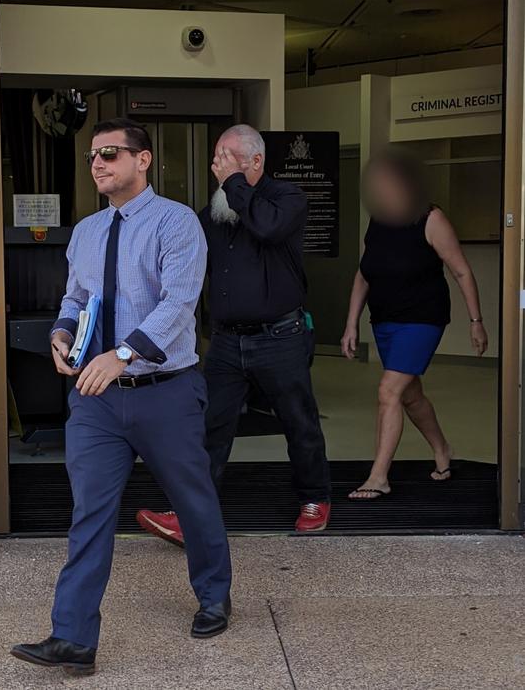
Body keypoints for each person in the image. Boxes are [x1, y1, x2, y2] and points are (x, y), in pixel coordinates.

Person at [11, 118, 232, 678]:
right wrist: (62, 333)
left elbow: (180, 304)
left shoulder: (176, 223)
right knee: (90, 512)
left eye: (110, 153)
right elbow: (76, 296)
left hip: (165, 391)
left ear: (143, 160)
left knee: (193, 499)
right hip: (96, 399)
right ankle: (73, 638)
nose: (99, 164)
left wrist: (123, 355)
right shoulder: (86, 231)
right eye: (92, 156)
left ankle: (214, 595)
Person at [137, 124, 331, 544]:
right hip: (226, 342)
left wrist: (234, 185)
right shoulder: (214, 214)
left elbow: (267, 228)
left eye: (227, 158)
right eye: (216, 159)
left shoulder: (286, 199)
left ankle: (315, 498)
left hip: (281, 336)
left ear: (255, 162)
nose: (217, 167)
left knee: (299, 422)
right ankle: (190, 514)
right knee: (208, 426)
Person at [341, 147, 489, 500]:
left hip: (422, 319)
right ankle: (442, 449)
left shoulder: (431, 219)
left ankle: (378, 477)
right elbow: (364, 274)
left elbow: (461, 270)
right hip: (386, 319)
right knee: (410, 395)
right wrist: (351, 324)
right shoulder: (378, 220)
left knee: (388, 391)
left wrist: (476, 321)